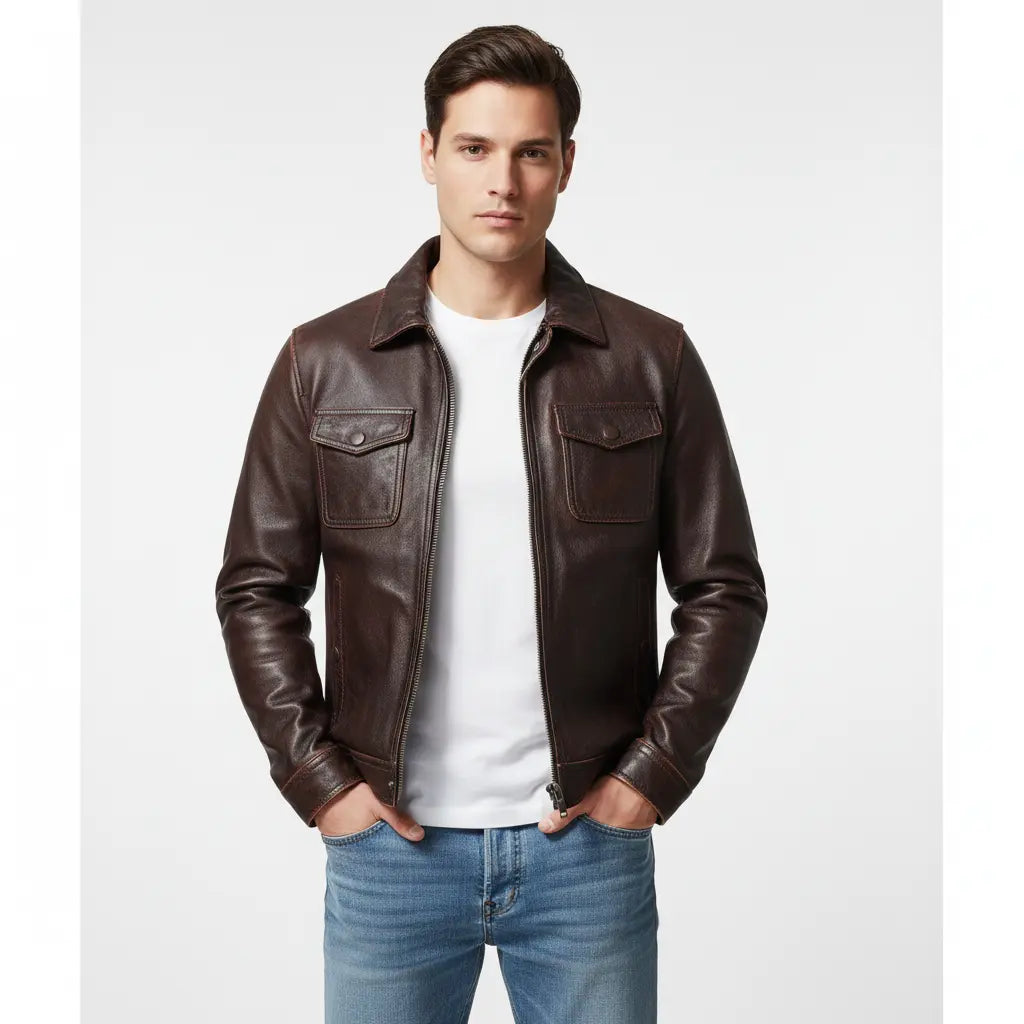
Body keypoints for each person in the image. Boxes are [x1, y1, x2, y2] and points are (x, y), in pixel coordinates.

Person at [214, 23, 767, 1024]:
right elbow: (258, 586)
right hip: (391, 852)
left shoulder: (651, 359)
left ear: (567, 165)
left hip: (584, 850)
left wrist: (650, 776)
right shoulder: (325, 362)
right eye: (474, 148)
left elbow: (723, 586)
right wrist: (320, 782)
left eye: (531, 152)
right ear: (428, 154)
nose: (502, 180)